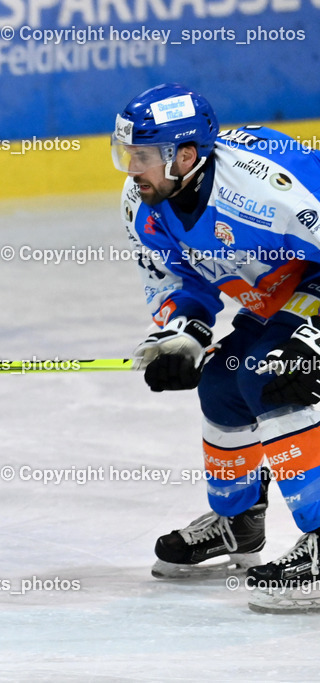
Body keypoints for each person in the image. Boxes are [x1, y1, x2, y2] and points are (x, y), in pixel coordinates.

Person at [113, 83, 320, 612]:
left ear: (185, 156)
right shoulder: (144, 204)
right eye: (126, 154)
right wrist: (184, 333)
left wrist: (312, 338)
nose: (131, 169)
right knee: (223, 384)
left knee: (273, 377)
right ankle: (239, 521)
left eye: (142, 156)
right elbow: (177, 281)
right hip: (280, 293)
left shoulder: (267, 190)